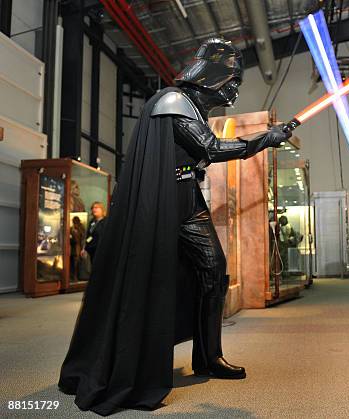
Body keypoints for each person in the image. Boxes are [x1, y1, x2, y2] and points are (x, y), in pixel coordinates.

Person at [58, 38, 292, 415]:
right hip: (162, 202)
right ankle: (143, 359)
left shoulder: (192, 107)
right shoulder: (173, 102)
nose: (234, 87)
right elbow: (210, 149)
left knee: (213, 272)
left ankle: (209, 356)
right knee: (152, 278)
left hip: (187, 199)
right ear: (210, 76)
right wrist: (266, 138)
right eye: (230, 78)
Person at [69, 216, 85, 282]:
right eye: (73, 221)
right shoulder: (71, 229)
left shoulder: (81, 228)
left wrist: (83, 248)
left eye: (75, 221)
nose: (74, 223)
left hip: (77, 247)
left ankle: (76, 276)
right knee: (72, 262)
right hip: (72, 247)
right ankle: (72, 276)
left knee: (76, 262)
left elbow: (83, 238)